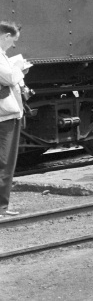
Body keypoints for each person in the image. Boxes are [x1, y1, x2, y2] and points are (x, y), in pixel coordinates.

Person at [0, 20, 31, 217]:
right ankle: (1, 206)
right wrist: (20, 69)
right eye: (14, 40)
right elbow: (9, 78)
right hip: (5, 115)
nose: (14, 45)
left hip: (7, 113)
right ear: (5, 36)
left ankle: (3, 205)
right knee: (5, 161)